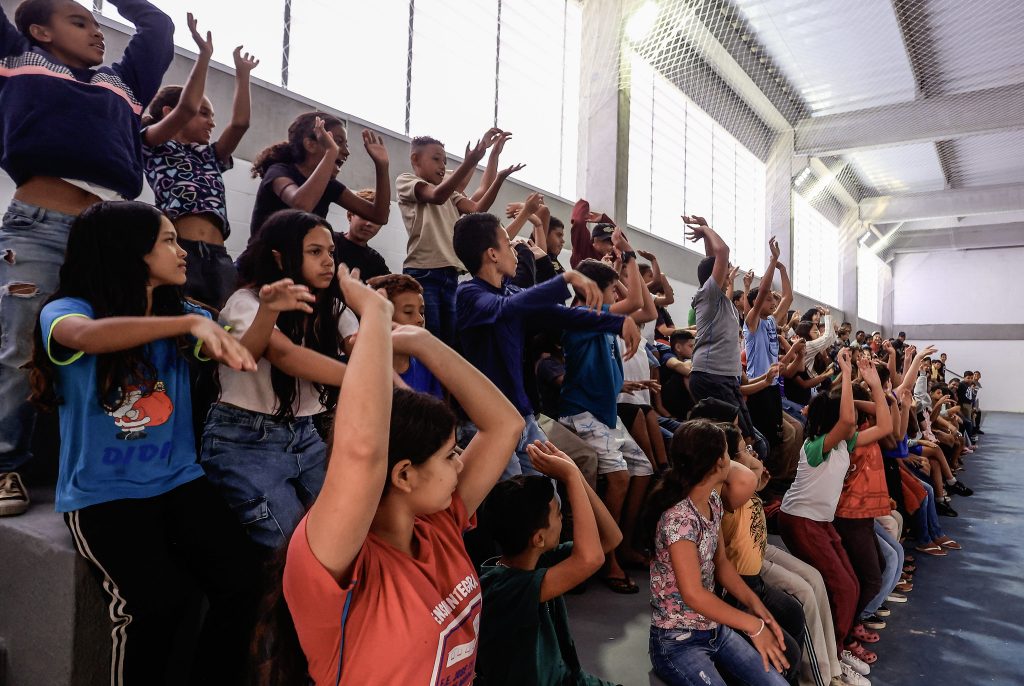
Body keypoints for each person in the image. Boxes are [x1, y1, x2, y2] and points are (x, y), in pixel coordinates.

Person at [28, 201, 273, 683]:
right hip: (104, 494)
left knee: (243, 580)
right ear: (130, 250)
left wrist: (270, 309)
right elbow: (85, 336)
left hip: (179, 480)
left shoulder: (181, 312)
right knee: (157, 605)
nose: (183, 252)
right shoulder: (69, 310)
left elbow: (241, 354)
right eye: (169, 241)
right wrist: (189, 323)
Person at [278, 277, 524, 684]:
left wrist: (422, 341)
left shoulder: (439, 525)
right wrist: (376, 316)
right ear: (404, 474)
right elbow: (362, 455)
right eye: (450, 455)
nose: (460, 465)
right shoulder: (337, 560)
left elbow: (505, 425)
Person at [0, 0, 174, 516]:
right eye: (79, 22)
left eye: (98, 26)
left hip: (111, 236)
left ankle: (103, 458)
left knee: (115, 348)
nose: (97, 34)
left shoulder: (122, 83)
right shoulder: (17, 58)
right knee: (20, 345)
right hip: (39, 227)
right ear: (39, 31)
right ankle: (5, 462)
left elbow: (157, 25)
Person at [200, 210, 358, 550]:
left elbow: (360, 346)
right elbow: (283, 355)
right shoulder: (246, 302)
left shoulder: (332, 306)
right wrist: (368, 379)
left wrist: (374, 313)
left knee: (347, 526)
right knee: (290, 546)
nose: (328, 261)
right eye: (315, 251)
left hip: (305, 434)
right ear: (279, 257)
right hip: (244, 439)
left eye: (331, 252)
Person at [453, 212, 640, 478]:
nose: (515, 250)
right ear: (493, 254)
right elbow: (504, 308)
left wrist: (617, 323)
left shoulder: (511, 292)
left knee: (548, 492)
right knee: (515, 494)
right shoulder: (469, 294)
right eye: (507, 243)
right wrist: (565, 278)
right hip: (485, 421)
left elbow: (560, 314)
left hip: (521, 416)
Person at [642, 420, 789, 686]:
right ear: (717, 463)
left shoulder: (712, 500)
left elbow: (720, 563)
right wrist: (752, 625)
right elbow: (693, 594)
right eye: (727, 453)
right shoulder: (679, 519)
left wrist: (757, 606)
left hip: (713, 629)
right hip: (677, 641)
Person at [777, 350, 891, 666]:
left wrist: (874, 385)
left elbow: (884, 426)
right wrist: (846, 371)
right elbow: (848, 420)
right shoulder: (817, 445)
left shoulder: (842, 443)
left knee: (852, 584)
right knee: (843, 588)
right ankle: (836, 655)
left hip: (819, 522)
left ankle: (837, 646)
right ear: (833, 420)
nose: (851, 418)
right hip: (800, 520)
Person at [477, 443, 622, 686]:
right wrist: (571, 478)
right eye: (558, 514)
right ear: (539, 538)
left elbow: (611, 538)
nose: (562, 518)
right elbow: (591, 559)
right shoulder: (501, 588)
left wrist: (576, 475)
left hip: (566, 678)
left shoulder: (539, 558)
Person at [141, 14, 257, 309]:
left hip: (219, 255)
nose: (211, 122)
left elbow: (240, 124)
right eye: (204, 114)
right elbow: (187, 106)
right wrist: (204, 56)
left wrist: (242, 75)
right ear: (169, 112)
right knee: (177, 317)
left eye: (212, 116)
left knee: (225, 322)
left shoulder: (211, 156)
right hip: (181, 250)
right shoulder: (154, 145)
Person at [558, 253, 653, 593]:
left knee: (643, 468)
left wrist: (616, 274)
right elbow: (638, 304)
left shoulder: (600, 316)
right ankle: (607, 555)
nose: (618, 295)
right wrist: (628, 258)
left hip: (604, 413)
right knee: (619, 477)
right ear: (595, 292)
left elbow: (647, 310)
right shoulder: (582, 317)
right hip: (582, 412)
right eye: (613, 289)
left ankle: (622, 543)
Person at [397, 129, 522, 344]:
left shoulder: (450, 194)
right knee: (429, 339)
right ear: (415, 159)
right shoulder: (407, 181)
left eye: (445, 161)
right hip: (424, 272)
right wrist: (471, 161)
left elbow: (477, 207)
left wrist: (498, 175)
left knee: (451, 342)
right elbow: (436, 195)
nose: (442, 165)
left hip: (450, 274)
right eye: (436, 159)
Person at [682, 214, 758, 452]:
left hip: (726, 377)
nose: (728, 270)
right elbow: (722, 252)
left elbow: (713, 258)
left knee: (751, 440)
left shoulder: (722, 301)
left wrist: (705, 232)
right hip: (710, 375)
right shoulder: (708, 295)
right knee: (740, 443)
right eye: (724, 268)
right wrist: (706, 228)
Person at [249, 112, 390, 237]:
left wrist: (382, 166)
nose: (346, 152)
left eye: (345, 144)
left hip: (295, 259)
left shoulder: (329, 185)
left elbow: (379, 216)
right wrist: (331, 152)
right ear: (310, 145)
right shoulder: (278, 171)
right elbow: (301, 206)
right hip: (262, 258)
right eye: (338, 142)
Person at [367, 273, 443, 398]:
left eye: (422, 312)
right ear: (382, 316)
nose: (420, 319)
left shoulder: (427, 365)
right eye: (408, 312)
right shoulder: (365, 369)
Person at [334, 188, 391, 283]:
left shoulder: (376, 261)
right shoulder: (330, 242)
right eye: (364, 216)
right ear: (349, 215)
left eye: (376, 220)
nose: (369, 224)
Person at [568, 198, 615, 269]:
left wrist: (603, 219)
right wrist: (585, 208)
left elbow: (623, 243)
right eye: (608, 242)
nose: (612, 247)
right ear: (596, 240)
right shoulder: (583, 250)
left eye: (613, 243)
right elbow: (578, 223)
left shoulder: (609, 258)